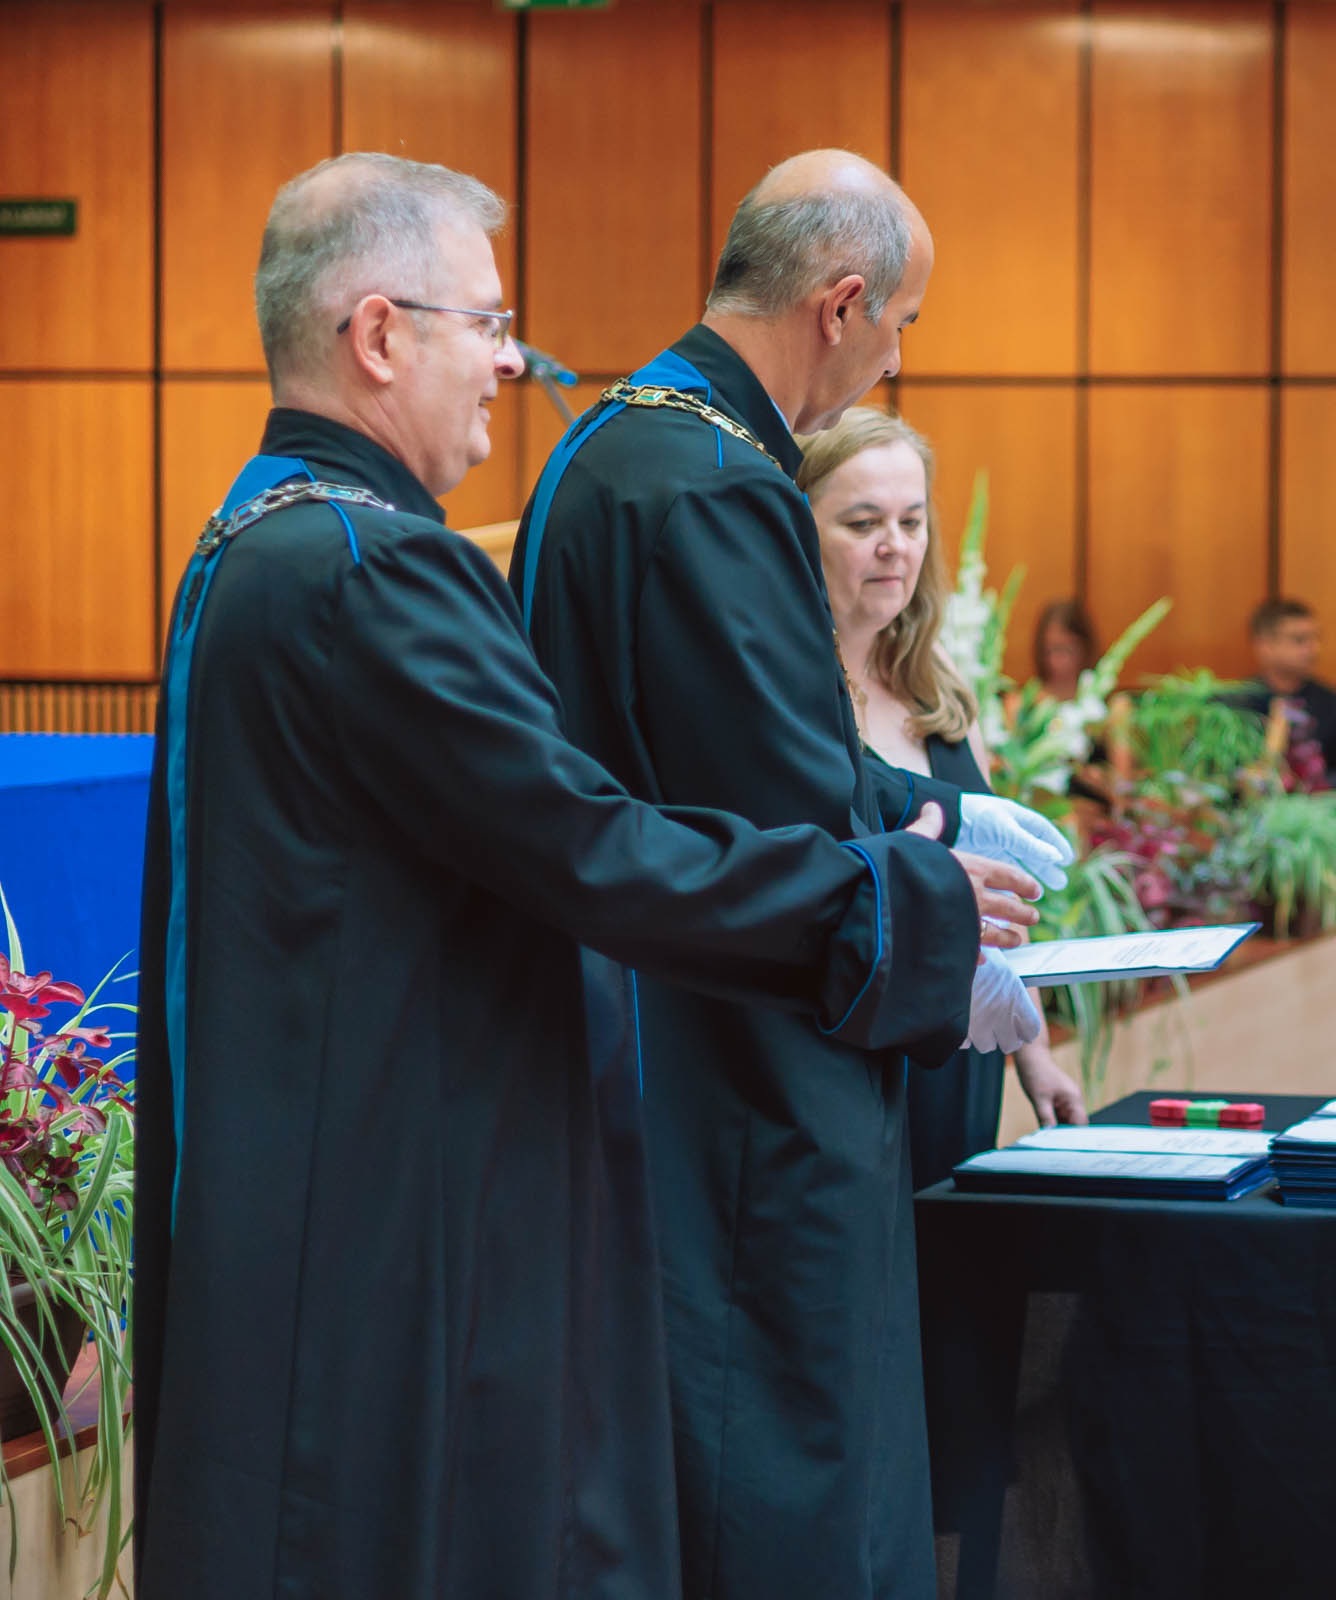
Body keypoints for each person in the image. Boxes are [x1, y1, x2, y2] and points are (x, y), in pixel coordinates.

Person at [134, 152, 1039, 1600]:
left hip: (304, 1146)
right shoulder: (376, 569)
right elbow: (590, 843)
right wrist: (892, 897)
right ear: (380, 337)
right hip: (390, 1189)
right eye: (488, 323)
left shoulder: (258, 537)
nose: (510, 361)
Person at [509, 150, 1064, 1600]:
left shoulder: (614, 442)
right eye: (903, 324)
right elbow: (788, 829)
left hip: (657, 1039)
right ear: (841, 303)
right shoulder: (715, 484)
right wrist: (936, 892)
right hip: (742, 1075)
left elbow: (734, 768)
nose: (898, 358)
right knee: (785, 1478)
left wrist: (921, 815)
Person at [798, 406, 1089, 1177]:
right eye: (863, 523)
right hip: (849, 1050)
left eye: (912, 521)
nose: (894, 545)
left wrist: (1036, 1056)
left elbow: (997, 891)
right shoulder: (791, 693)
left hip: (963, 1044)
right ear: (799, 530)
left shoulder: (940, 685)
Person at [1229, 598, 1336, 792]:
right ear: (1265, 646)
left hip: (1317, 805)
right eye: (1299, 640)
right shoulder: (1236, 703)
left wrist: (1307, 789)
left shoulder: (1333, 703)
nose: (1314, 649)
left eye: (1316, 639)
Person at [1030, 597, 1097, 703]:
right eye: (1048, 651)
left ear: (1084, 647)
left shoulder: (1098, 695)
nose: (1055, 661)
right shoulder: (1029, 700)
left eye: (1064, 650)